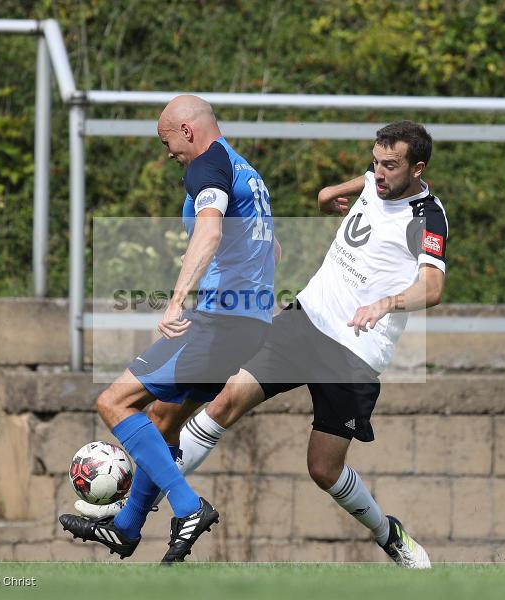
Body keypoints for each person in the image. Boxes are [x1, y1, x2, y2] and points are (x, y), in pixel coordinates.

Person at [176, 120, 446, 568]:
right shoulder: (371, 180)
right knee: (225, 401)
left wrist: (387, 302)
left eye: (390, 167)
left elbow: (432, 288)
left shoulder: (428, 217)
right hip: (305, 320)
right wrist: (326, 199)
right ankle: (143, 494)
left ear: (416, 169)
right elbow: (328, 196)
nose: (378, 174)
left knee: (323, 469)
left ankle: (388, 534)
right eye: (375, 162)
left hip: (356, 351)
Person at [59, 95, 277, 563]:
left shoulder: (206, 166)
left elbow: (210, 230)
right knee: (161, 420)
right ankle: (126, 527)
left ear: (188, 130)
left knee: (114, 401)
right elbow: (272, 248)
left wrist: (177, 299)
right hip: (250, 323)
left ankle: (187, 506)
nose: (168, 152)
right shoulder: (246, 171)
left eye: (167, 141)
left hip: (220, 322)